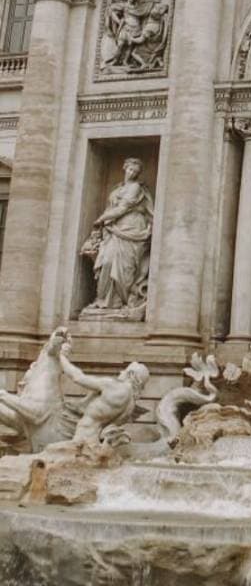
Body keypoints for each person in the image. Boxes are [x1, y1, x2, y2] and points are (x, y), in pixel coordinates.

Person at [80, 158, 153, 317]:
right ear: (124, 168)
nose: (132, 173)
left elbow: (123, 208)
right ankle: (103, 300)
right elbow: (113, 207)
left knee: (125, 267)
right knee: (106, 261)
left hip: (132, 228)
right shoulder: (117, 188)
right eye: (130, 169)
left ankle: (119, 301)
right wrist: (106, 222)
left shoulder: (135, 188)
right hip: (114, 229)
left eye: (136, 171)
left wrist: (102, 218)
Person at [59, 346, 149, 445]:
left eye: (125, 371)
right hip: (95, 442)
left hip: (82, 440)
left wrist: (61, 356)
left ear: (131, 374)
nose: (121, 372)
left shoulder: (113, 386)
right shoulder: (131, 405)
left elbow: (78, 378)